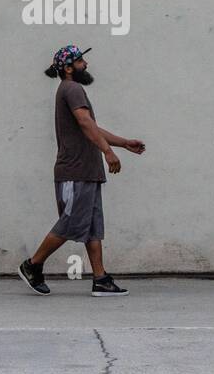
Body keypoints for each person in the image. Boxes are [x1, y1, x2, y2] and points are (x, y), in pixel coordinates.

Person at [18, 46, 145, 297]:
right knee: (71, 223)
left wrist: (123, 142)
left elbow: (92, 127)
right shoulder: (72, 89)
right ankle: (32, 266)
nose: (85, 64)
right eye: (80, 61)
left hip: (87, 171)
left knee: (92, 227)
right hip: (74, 171)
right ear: (68, 68)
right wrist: (108, 152)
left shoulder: (72, 90)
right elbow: (86, 123)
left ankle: (100, 279)